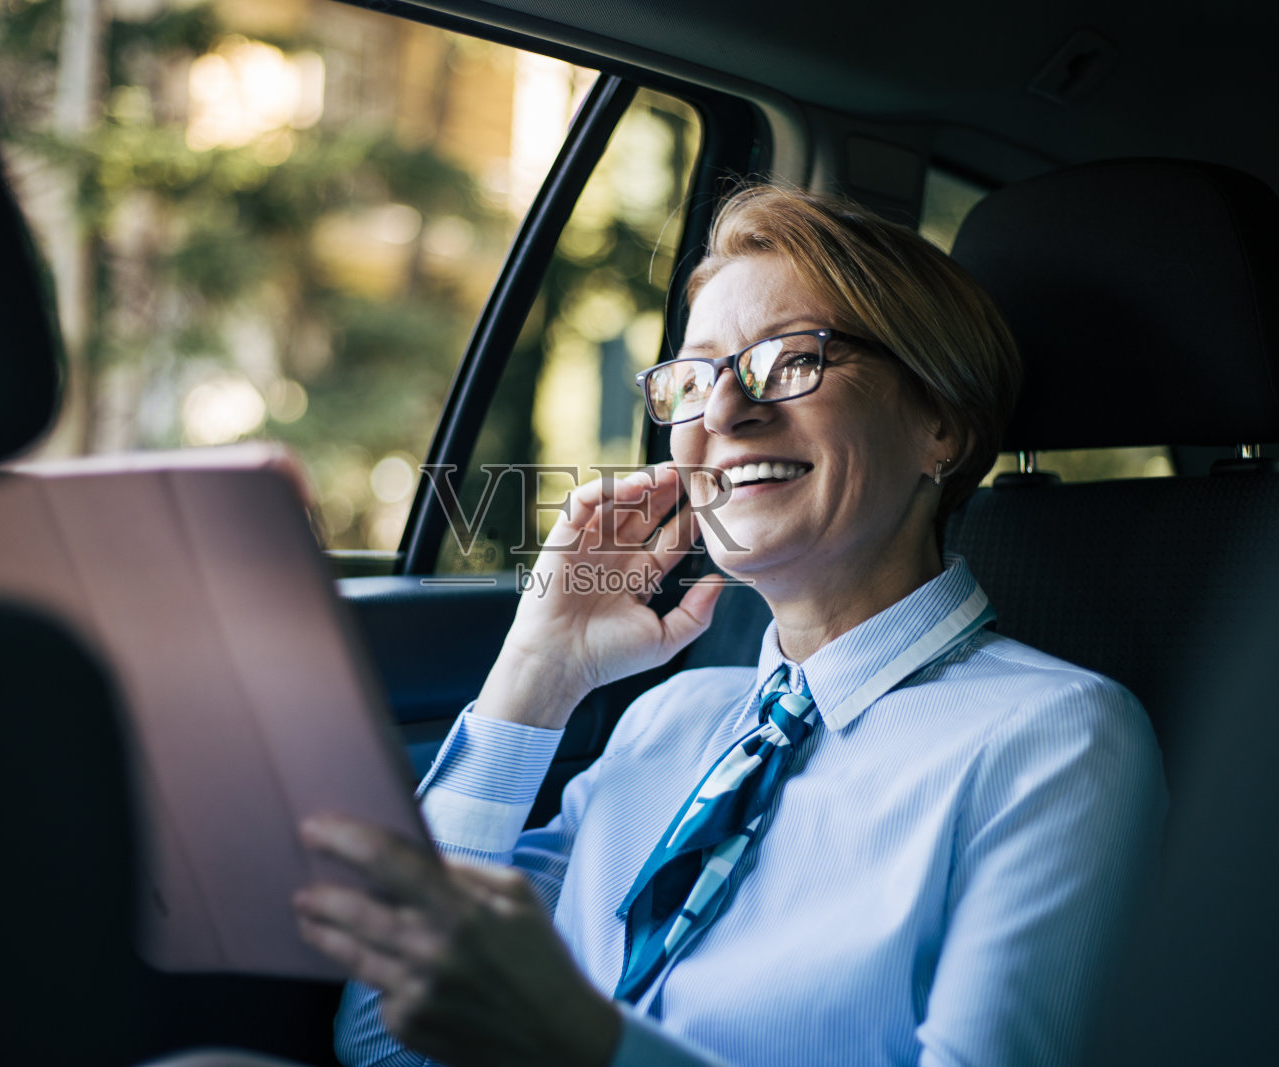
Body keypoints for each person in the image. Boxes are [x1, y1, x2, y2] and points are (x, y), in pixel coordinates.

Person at [292, 185, 1167, 1067]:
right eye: (695, 378)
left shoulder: (1057, 738)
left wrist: (591, 1047)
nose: (721, 415)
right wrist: (537, 669)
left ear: (940, 423)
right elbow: (381, 1042)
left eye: (790, 361)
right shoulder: (667, 721)